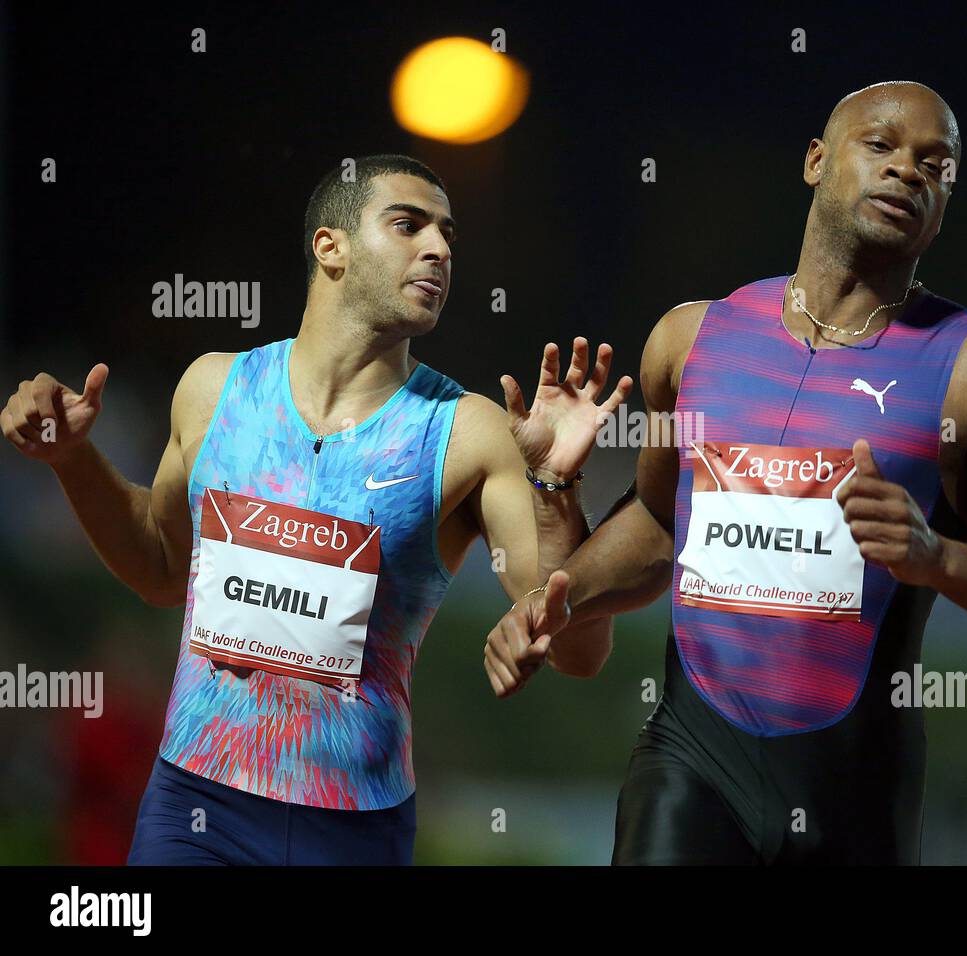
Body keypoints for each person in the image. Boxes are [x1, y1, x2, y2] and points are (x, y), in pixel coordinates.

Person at [480, 82, 967, 865]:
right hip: (688, 765)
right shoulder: (691, 341)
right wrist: (558, 579)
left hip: (850, 798)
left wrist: (939, 560)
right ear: (816, 161)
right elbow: (659, 526)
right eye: (880, 145)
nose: (908, 172)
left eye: (935, 164)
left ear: (947, 196)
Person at [1, 154, 631, 865]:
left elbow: (580, 653)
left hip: (353, 829)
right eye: (409, 224)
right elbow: (159, 569)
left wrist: (554, 482)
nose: (441, 249)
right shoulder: (214, 391)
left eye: (449, 234)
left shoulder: (465, 432)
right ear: (329, 246)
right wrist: (70, 459)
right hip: (196, 804)